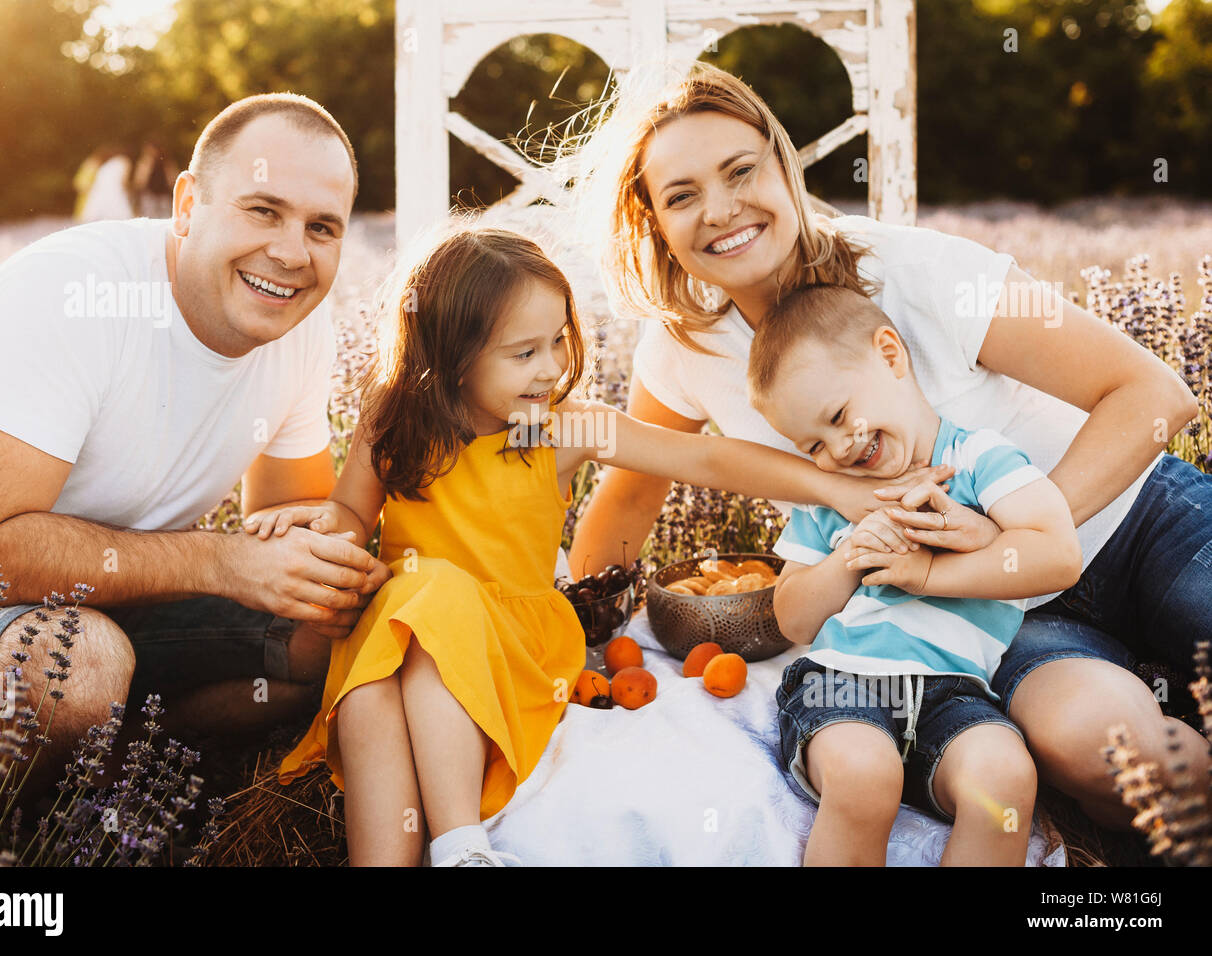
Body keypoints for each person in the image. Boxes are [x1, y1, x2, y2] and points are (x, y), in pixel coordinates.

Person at [565, 61, 1210, 829]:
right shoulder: (686, 350)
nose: (721, 209)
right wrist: (585, 638)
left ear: (784, 162)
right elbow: (635, 490)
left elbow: (1152, 395)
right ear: (655, 224)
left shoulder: (914, 270)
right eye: (681, 196)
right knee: (1120, 758)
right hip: (992, 620)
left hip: (1137, 520)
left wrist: (1015, 537)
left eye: (741, 170)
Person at [259, 226, 879, 866]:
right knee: (369, 691)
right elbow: (350, 514)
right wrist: (319, 527)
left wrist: (831, 486)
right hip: (401, 630)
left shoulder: (558, 429)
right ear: (450, 356)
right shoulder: (392, 416)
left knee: (429, 596)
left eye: (558, 341)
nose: (553, 367)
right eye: (524, 352)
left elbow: (703, 456)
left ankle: (458, 846)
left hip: (510, 647)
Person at [0, 93, 384, 795]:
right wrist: (219, 562)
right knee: (76, 663)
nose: (291, 253)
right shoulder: (74, 294)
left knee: (334, 631)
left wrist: (344, 542)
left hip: (120, 603)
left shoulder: (299, 330)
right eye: (262, 210)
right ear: (188, 203)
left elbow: (287, 527)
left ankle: (122, 752)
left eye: (322, 227)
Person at [752, 284, 1079, 865]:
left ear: (891, 354)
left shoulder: (981, 459)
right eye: (814, 445)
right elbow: (792, 616)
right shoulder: (837, 500)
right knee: (863, 775)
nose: (839, 448)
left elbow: (1056, 555)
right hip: (842, 678)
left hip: (955, 689)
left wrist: (929, 569)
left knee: (1003, 780)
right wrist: (847, 557)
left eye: (838, 416)